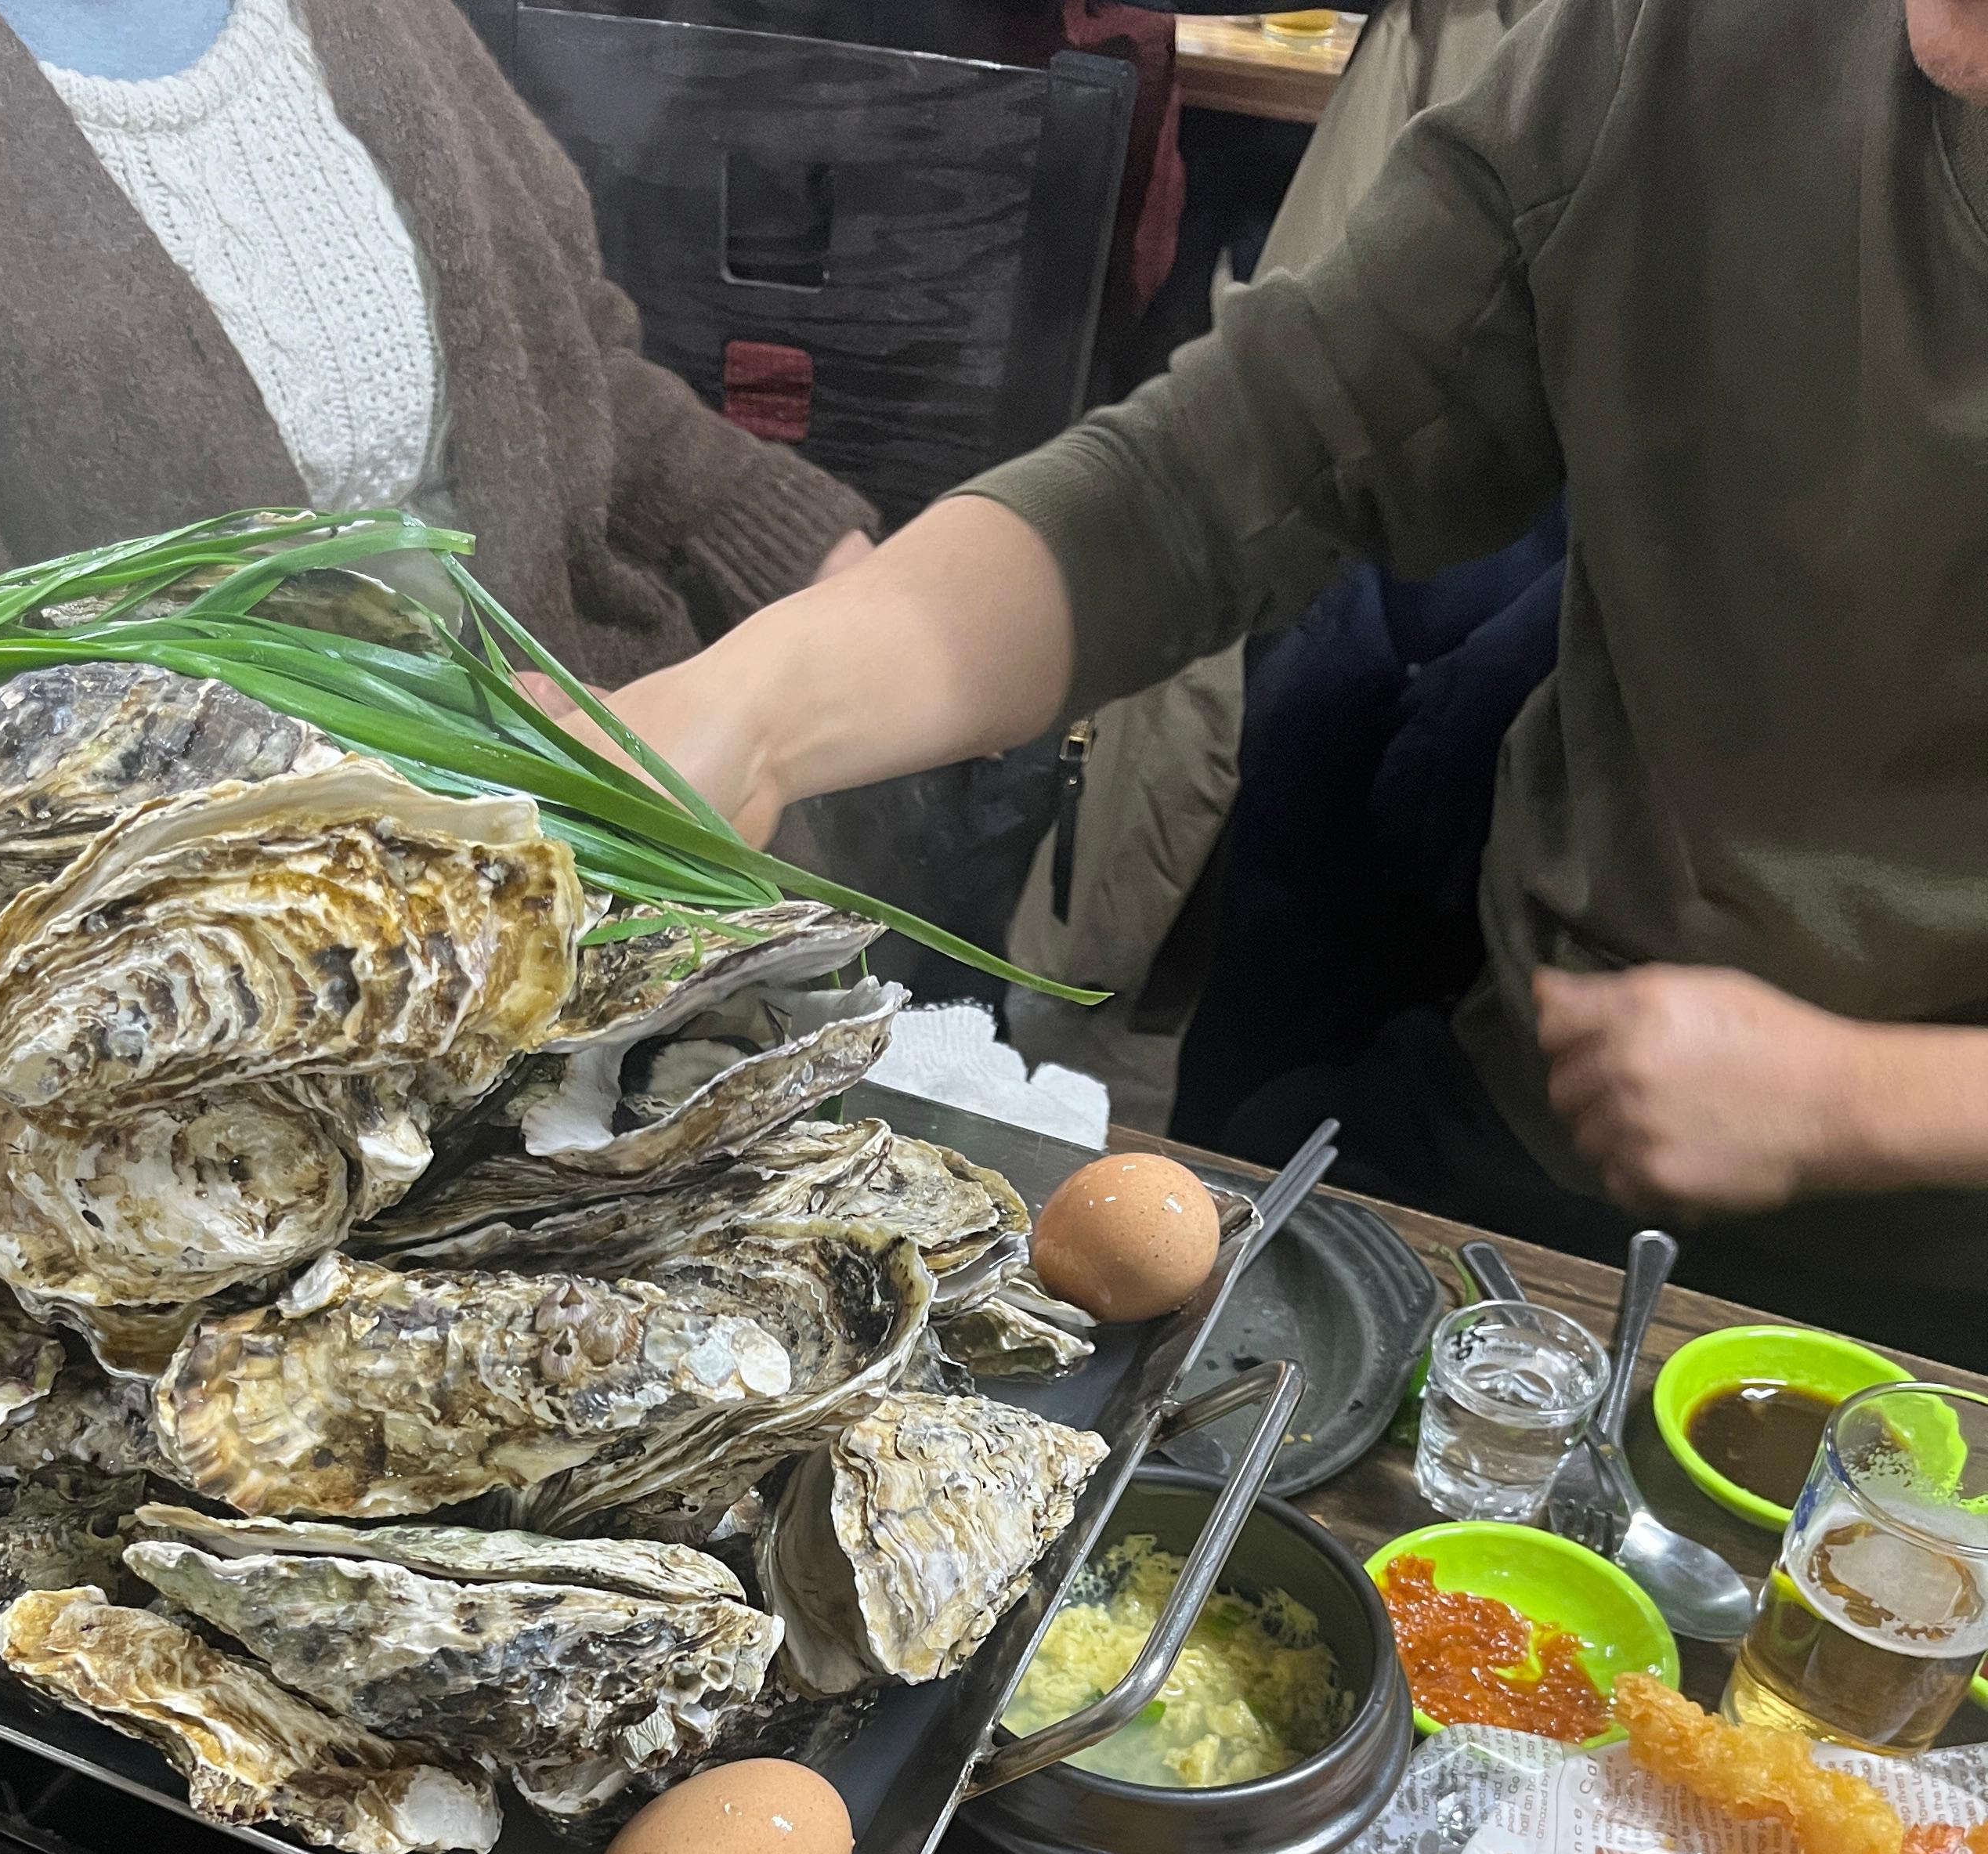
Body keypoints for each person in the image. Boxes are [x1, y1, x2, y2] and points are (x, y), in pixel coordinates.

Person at [604, 0, 1988, 1364]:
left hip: (1944, 1265)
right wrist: (761, 705)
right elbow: (1226, 468)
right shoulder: (1668, 47)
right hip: (1556, 1112)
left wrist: (1864, 1100)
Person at [0, 0, 872, 707]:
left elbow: (570, 370)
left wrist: (820, 564)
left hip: (595, 789)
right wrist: (402, 818)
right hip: (161, 941)